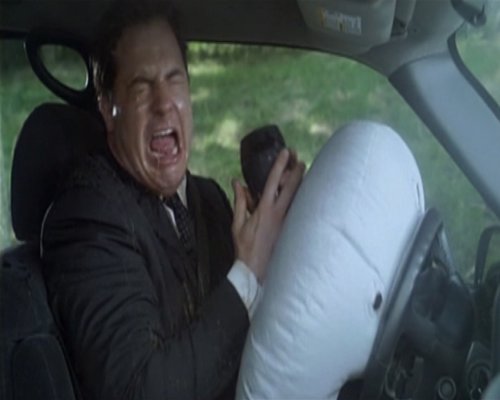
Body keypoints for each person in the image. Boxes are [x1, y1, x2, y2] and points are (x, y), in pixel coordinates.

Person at [41, 1, 304, 399]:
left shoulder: (209, 200)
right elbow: (140, 389)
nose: (164, 102)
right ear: (109, 110)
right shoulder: (87, 220)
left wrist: (281, 240)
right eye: (141, 86)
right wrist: (248, 271)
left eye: (174, 79)